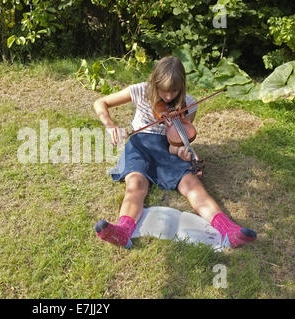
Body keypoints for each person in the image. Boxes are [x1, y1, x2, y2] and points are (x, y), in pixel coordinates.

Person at [93, 56, 257, 249]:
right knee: (136, 183)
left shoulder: (189, 104)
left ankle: (228, 230)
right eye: (163, 90)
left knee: (192, 184)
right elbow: (100, 102)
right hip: (141, 144)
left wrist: (182, 151)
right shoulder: (140, 90)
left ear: (182, 86)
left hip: (167, 147)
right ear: (154, 83)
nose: (169, 97)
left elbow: (177, 141)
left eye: (174, 91)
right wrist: (110, 125)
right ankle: (123, 230)